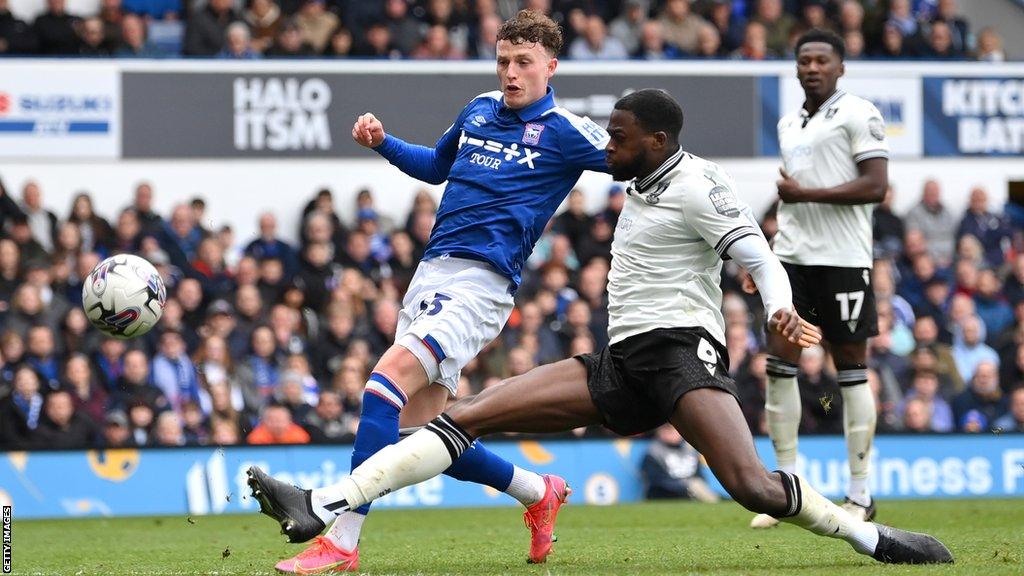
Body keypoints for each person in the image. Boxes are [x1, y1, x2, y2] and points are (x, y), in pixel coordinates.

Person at [247, 89, 953, 568]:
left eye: (617, 140)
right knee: (467, 415)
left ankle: (872, 538)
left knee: (754, 486)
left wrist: (776, 306)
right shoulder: (638, 182)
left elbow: (759, 256)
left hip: (683, 360)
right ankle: (323, 504)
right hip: (620, 364)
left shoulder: (698, 184)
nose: (604, 149)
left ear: (657, 139)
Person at [254, 9, 612, 573]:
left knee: (382, 385)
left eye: (524, 62)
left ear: (551, 66)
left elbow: (633, 157)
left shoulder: (566, 131)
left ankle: (340, 539)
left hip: (482, 282)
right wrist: (383, 143)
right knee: (420, 436)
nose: (511, 73)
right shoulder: (478, 110)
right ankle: (537, 491)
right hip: (431, 275)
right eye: (503, 61)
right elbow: (436, 166)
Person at [748, 29, 889, 529]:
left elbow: (876, 186)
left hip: (845, 259)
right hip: (792, 260)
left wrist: (807, 193)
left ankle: (860, 493)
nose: (811, 67)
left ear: (840, 67)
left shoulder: (860, 113)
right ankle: (786, 489)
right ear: (795, 67)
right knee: (779, 365)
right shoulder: (789, 123)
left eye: (821, 60)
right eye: (804, 59)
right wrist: (763, 258)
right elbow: (789, 195)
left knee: (849, 369)